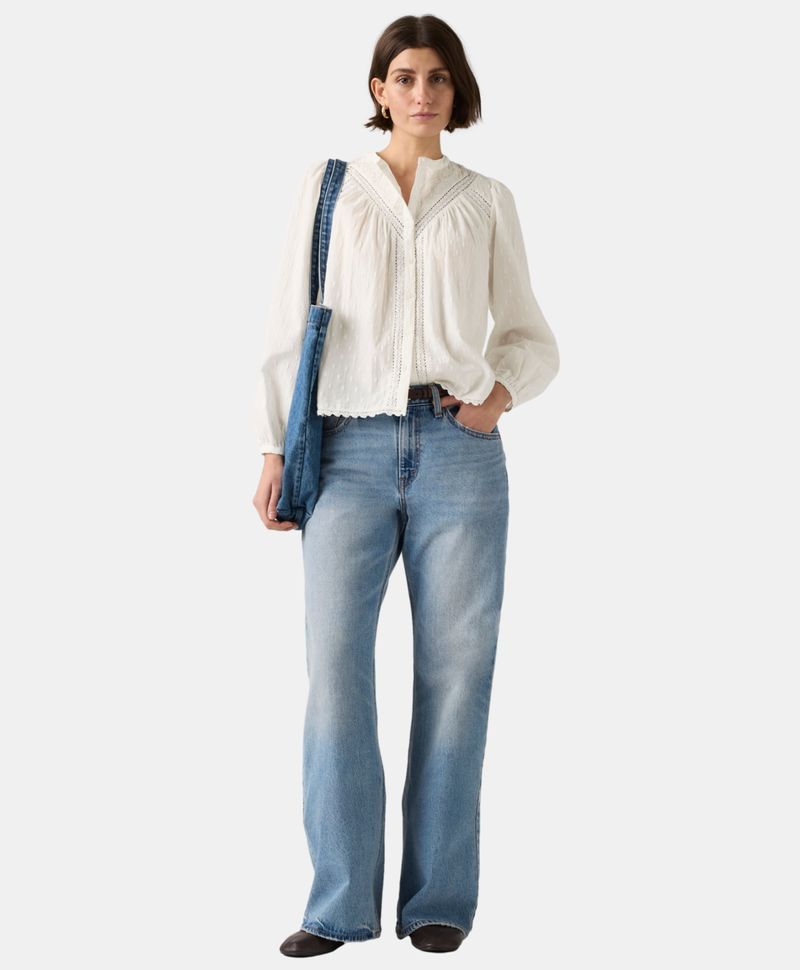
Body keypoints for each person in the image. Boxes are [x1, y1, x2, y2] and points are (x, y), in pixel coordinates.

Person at [252, 14, 560, 958]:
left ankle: (438, 901)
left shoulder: (486, 199)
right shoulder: (328, 188)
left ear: (456, 92)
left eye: (438, 77)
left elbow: (530, 333)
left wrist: (497, 398)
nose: (421, 92)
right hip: (343, 449)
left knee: (457, 678)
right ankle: (338, 905)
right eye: (405, 76)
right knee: (335, 677)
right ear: (379, 89)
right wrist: (272, 447)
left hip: (460, 452)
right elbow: (287, 321)